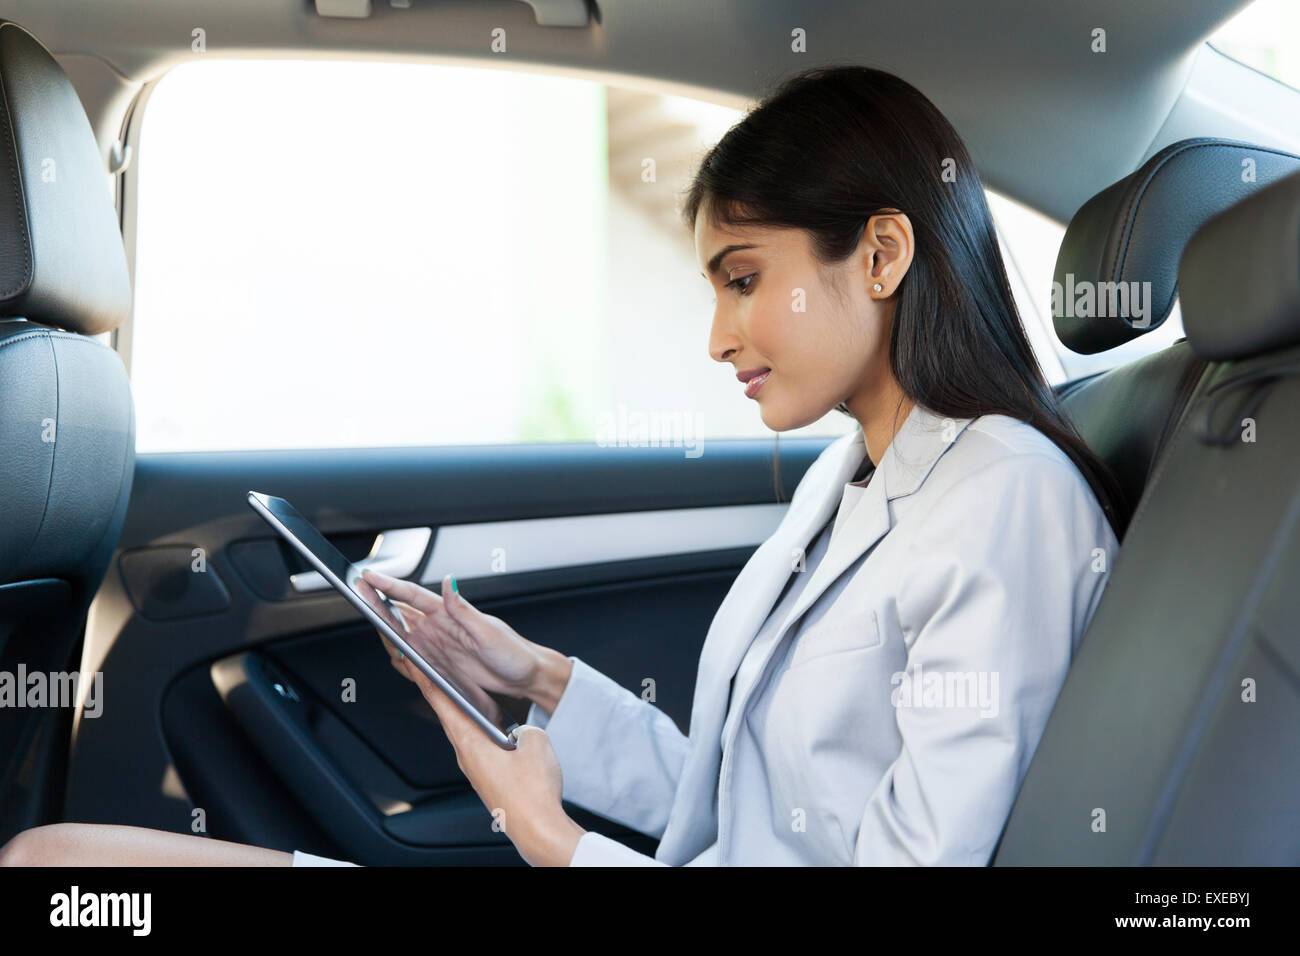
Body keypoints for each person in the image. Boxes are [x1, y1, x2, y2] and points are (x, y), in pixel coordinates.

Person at [0, 64, 1122, 868]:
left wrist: (549, 836)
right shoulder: (852, 480)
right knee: (58, 865)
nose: (718, 337)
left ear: (880, 252)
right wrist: (530, 675)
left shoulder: (1003, 499)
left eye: (742, 278)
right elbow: (737, 802)